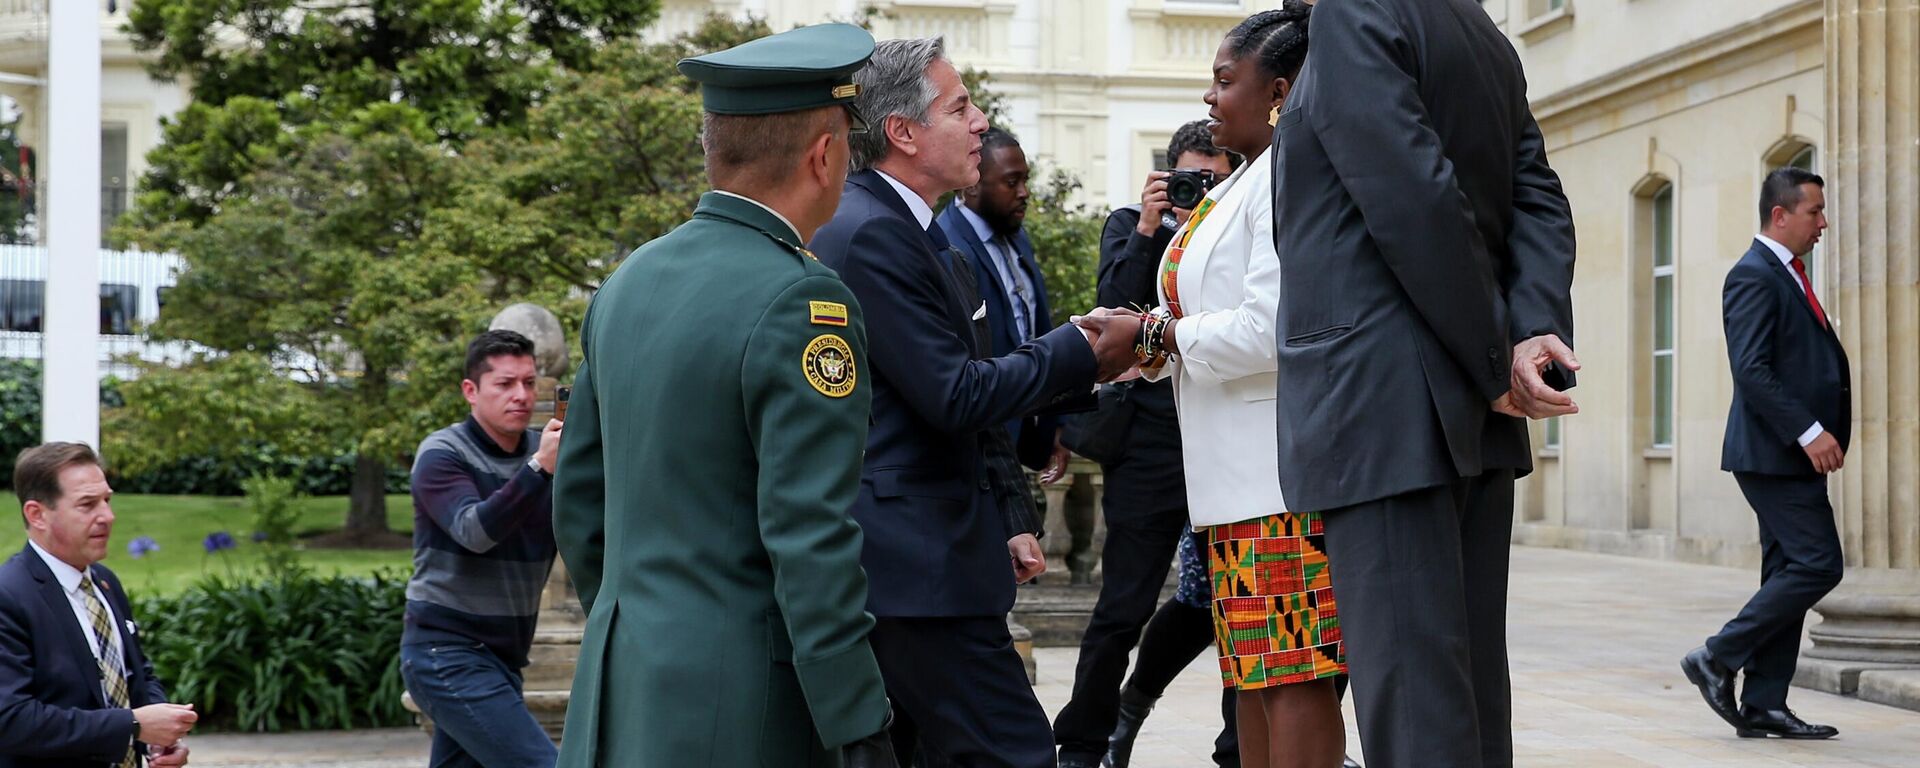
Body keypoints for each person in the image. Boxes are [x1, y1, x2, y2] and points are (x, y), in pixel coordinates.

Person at [552, 23, 897, 768]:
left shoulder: (629, 279)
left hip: (622, 693)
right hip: (740, 709)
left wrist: (641, 626)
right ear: (826, 155)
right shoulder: (804, 302)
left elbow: (580, 503)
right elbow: (810, 539)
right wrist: (857, 722)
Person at [809, 36, 1140, 768]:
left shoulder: (917, 236)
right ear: (902, 132)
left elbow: (967, 406)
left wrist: (1011, 516)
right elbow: (954, 393)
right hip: (916, 572)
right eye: (960, 107)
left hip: (928, 558)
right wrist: (1081, 346)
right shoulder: (871, 236)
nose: (982, 122)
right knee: (1017, 753)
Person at [1268, 0, 1580, 764]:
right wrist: (1529, 331)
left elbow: (1413, 193)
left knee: (1414, 705)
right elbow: (1537, 192)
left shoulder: (1353, 16)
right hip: (1457, 411)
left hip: (1382, 407)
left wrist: (1492, 356)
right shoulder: (1480, 30)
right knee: (1464, 700)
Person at [1115, 8, 1348, 768]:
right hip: (1230, 486)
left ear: (1279, 90)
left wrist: (1157, 338)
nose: (1210, 98)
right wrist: (1147, 342)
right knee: (1251, 681)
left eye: (1225, 80)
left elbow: (1270, 327)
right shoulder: (1243, 181)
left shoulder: (1291, 179)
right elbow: (1204, 313)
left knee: (1294, 684)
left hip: (1279, 482)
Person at [1053, 120, 1241, 768]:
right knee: (1121, 606)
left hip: (1225, 431)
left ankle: (1239, 747)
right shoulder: (1133, 224)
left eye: (1212, 182)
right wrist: (1148, 231)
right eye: (1187, 179)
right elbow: (1109, 315)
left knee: (1235, 601)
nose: (1199, 192)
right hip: (1153, 441)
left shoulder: (1237, 230)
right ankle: (1084, 742)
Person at [1681, 167, 1848, 740]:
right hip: (1774, 453)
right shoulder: (1753, 276)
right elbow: (1751, 370)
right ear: (1781, 215)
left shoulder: (1788, 274)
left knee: (1787, 568)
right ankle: (1716, 657)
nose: (1823, 223)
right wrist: (1809, 431)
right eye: (1814, 212)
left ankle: (1764, 703)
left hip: (1787, 457)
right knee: (1818, 564)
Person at [401, 329, 563, 768]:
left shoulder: (548, 453)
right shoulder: (442, 453)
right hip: (446, 654)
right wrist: (539, 470)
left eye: (529, 383)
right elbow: (473, 531)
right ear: (471, 391)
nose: (522, 395)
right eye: (506, 384)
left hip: (504, 659)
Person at [0, 442, 197, 768]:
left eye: (107, 500)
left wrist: (159, 739)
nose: (108, 516)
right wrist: (132, 726)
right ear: (37, 515)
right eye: (87, 504)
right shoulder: (9, 595)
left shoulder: (105, 583)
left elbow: (137, 674)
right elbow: (11, 719)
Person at [937, 127, 1074, 478]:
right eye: (1011, 182)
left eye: (1025, 180)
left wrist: (1054, 426)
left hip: (1022, 435)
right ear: (970, 186)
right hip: (977, 445)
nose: (1024, 193)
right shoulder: (945, 247)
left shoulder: (1016, 236)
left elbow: (1036, 330)